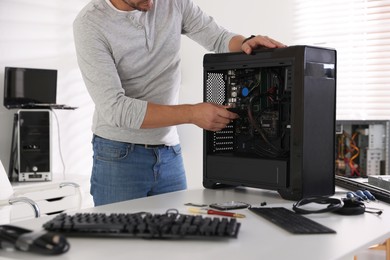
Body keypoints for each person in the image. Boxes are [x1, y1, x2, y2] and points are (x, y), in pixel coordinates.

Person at [73, 0, 286, 206]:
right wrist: (192, 114)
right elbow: (116, 108)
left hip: (169, 154)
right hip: (119, 156)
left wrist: (245, 42)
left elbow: (219, 38)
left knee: (177, 236)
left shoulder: (174, 2)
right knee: (120, 239)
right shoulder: (91, 23)